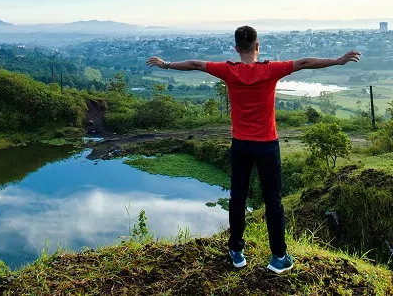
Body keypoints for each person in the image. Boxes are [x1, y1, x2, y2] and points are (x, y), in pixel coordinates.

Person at [146, 25, 360, 274]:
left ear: (237, 49)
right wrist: (338, 61)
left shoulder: (228, 70)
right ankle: (279, 257)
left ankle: (236, 252)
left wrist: (166, 64)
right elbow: (303, 62)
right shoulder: (270, 70)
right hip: (267, 145)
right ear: (258, 46)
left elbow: (195, 64)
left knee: (237, 197)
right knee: (273, 201)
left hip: (240, 145)